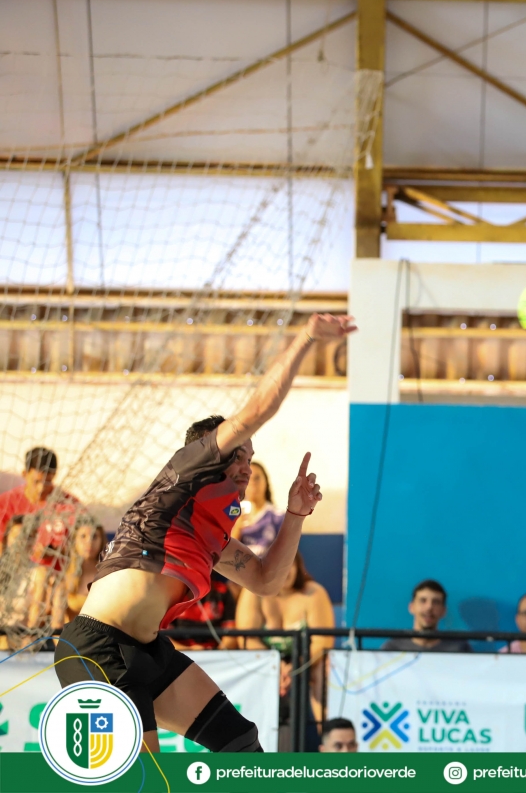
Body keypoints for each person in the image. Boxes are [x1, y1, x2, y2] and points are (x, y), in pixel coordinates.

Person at [53, 312, 354, 754]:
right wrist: (308, 336)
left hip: (147, 651)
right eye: (238, 455)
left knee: (241, 743)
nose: (246, 466)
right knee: (146, 778)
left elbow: (267, 581)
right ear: (207, 454)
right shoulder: (183, 473)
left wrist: (295, 514)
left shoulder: (210, 537)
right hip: (97, 648)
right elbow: (258, 410)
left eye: (250, 458)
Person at [236, 552, 335, 723]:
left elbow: (322, 642)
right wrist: (274, 665)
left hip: (306, 660)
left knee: (323, 671)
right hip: (265, 660)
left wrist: (296, 666)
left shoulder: (313, 593)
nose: (285, 571)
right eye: (278, 567)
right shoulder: (252, 592)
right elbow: (247, 639)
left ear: (298, 567)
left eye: (289, 565)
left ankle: (328, 732)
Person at [0, 447, 73, 546]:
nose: (41, 488)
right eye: (36, 481)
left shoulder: (68, 505)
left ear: (54, 476)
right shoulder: (5, 504)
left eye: (47, 482)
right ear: (25, 474)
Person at [380, 579, 473, 652]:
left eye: (436, 602)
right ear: (411, 607)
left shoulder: (459, 648)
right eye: (423, 601)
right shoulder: (393, 648)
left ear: (443, 611)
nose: (429, 607)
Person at [165, 569, 240, 651]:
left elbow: (230, 636)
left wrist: (216, 653)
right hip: (180, 652)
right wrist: (189, 650)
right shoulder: (173, 592)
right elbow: (163, 637)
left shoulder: (223, 591)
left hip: (214, 653)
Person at [233, 462, 285, 558]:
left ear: (266, 482)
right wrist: (237, 528)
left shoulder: (278, 516)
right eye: (248, 478)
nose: (252, 482)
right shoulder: (234, 511)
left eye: (257, 478)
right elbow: (226, 550)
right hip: (237, 565)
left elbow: (285, 552)